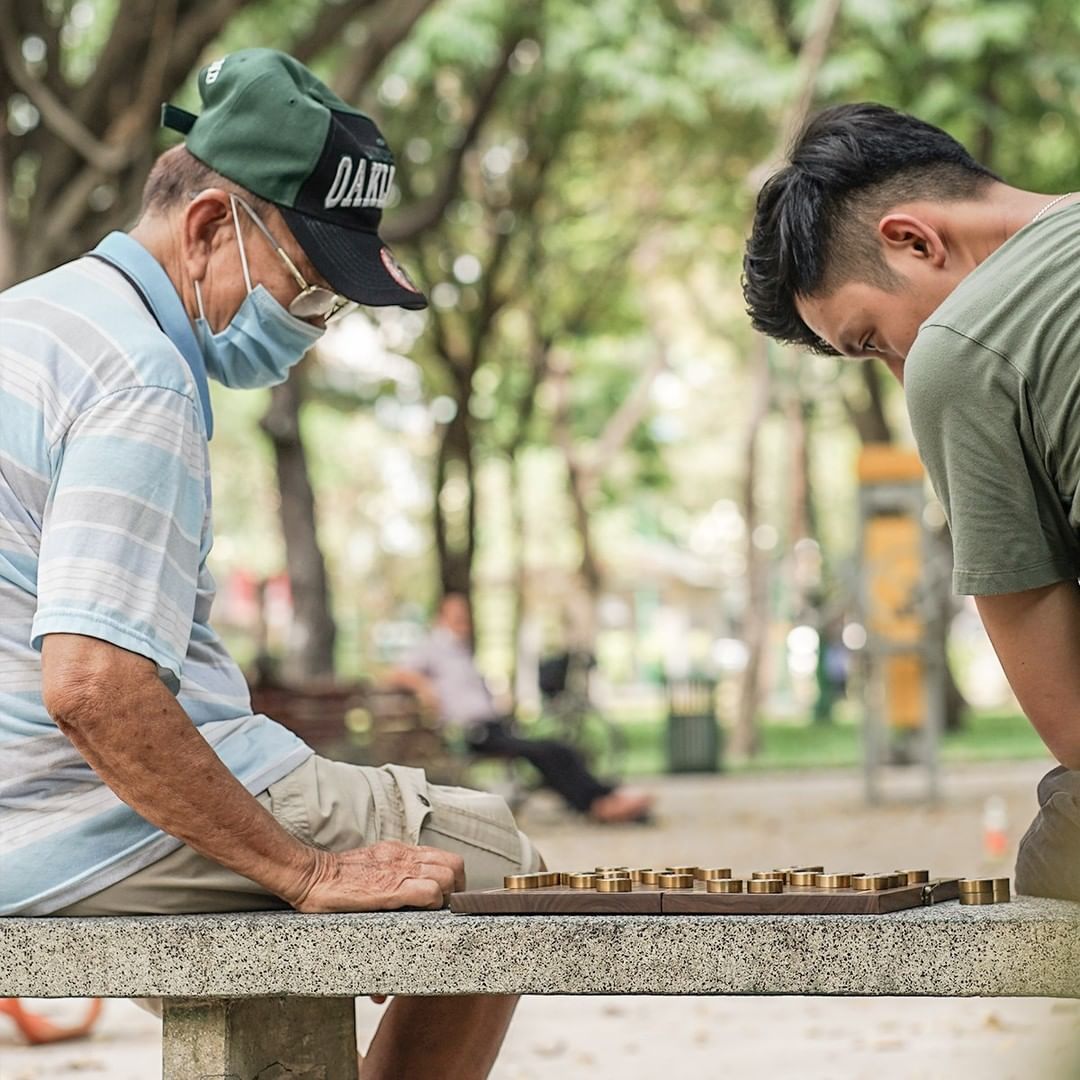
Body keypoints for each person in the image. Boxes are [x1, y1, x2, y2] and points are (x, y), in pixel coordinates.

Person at [0, 49, 537, 1078]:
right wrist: (301, 871)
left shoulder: (31, 321)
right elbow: (93, 684)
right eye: (311, 286)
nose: (316, 326)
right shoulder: (139, 376)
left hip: (24, 808)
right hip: (65, 823)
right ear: (207, 228)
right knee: (495, 860)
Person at [742, 101, 1080, 901]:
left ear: (914, 239)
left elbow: (1071, 721)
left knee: (1055, 859)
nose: (900, 373)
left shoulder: (960, 350)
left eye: (873, 341)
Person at [388, 593, 654, 823]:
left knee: (558, 749)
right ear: (441, 616)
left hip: (494, 726)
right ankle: (597, 804)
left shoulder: (459, 649)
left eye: (464, 615)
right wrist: (425, 687)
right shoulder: (433, 647)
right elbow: (396, 674)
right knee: (545, 752)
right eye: (456, 615)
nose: (464, 620)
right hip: (473, 733)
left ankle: (603, 797)